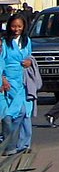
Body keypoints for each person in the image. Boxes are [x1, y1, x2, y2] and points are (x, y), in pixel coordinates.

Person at [0, 14, 34, 153]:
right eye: (14, 26)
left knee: (25, 113)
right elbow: (1, 61)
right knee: (12, 114)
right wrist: (3, 79)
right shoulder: (4, 42)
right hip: (8, 80)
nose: (16, 29)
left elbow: (30, 56)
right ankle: (9, 143)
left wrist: (29, 62)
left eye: (19, 26)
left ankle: (23, 144)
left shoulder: (27, 41)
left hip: (22, 81)